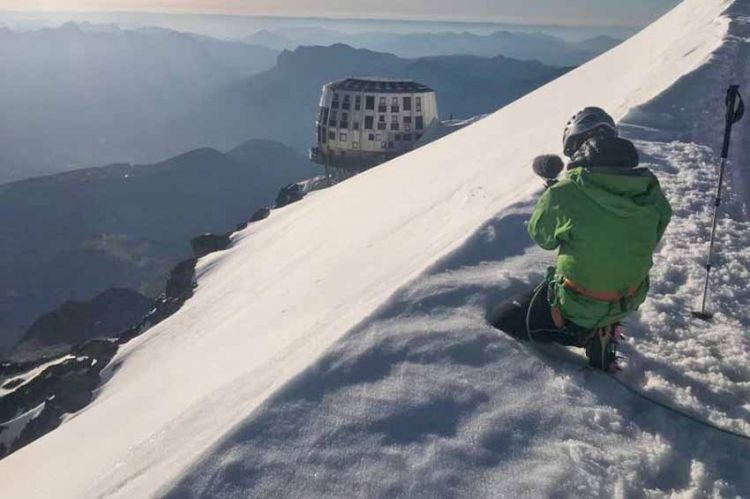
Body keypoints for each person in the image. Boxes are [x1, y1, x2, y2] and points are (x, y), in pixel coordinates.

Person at [490, 107, 673, 371]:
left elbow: (543, 237)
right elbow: (651, 235)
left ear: (576, 146)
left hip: (576, 302)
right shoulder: (651, 191)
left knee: (501, 321)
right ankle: (605, 327)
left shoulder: (567, 192)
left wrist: (553, 193)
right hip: (628, 298)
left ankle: (582, 333)